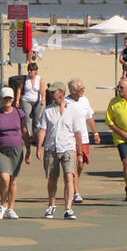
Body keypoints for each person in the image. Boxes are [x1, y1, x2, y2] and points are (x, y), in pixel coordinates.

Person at [36, 82, 84, 219]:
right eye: (50, 92)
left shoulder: (73, 110)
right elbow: (42, 130)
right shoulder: (47, 111)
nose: (52, 95)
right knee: (52, 178)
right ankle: (51, 205)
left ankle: (68, 208)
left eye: (54, 92)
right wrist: (39, 147)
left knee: (69, 176)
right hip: (51, 148)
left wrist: (79, 152)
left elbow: (78, 133)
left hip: (68, 147)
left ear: (62, 93)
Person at [0, 87, 27, 219]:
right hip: (0, 151)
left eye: (9, 98)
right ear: (1, 99)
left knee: (13, 180)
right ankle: (3, 205)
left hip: (17, 149)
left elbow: (25, 132)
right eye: (5, 98)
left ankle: (11, 208)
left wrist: (29, 151)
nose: (7, 101)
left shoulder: (19, 113)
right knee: (5, 178)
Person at [67, 79, 99, 204]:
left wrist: (95, 133)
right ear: (73, 90)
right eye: (81, 89)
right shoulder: (66, 102)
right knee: (75, 163)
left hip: (84, 138)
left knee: (81, 164)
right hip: (71, 139)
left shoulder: (84, 100)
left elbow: (89, 118)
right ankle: (75, 191)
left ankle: (73, 183)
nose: (83, 91)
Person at [18, 61, 46, 163]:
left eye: (31, 70)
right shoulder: (25, 79)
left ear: (36, 71)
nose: (29, 72)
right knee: (27, 119)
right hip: (26, 100)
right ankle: (28, 141)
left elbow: (43, 90)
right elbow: (19, 89)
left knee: (37, 120)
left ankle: (36, 139)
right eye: (28, 70)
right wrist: (17, 100)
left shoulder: (40, 79)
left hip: (37, 101)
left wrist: (43, 99)